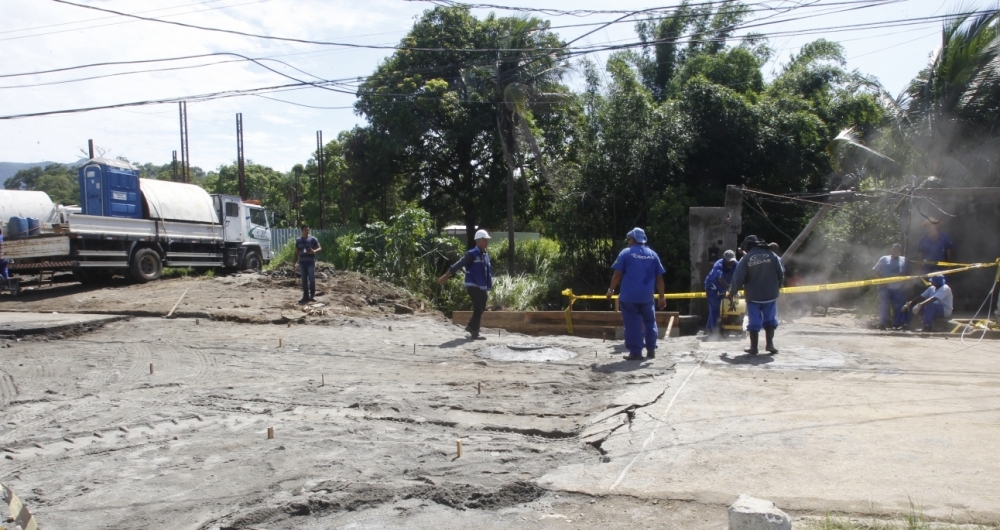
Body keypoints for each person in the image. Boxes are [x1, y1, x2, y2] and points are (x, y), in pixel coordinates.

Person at [607, 228, 666, 361]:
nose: (628, 242)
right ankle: (651, 349)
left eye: (629, 239)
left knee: (632, 324)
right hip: (647, 297)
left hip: (629, 298)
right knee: (650, 322)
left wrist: (611, 290)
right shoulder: (653, 255)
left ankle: (635, 352)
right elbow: (660, 279)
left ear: (633, 239)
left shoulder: (626, 253)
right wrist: (662, 297)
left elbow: (617, 274)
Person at [728, 235, 784, 355]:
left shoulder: (746, 258)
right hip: (770, 294)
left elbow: (738, 278)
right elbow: (780, 272)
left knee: (754, 321)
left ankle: (754, 347)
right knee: (770, 320)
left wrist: (732, 292)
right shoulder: (772, 255)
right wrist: (778, 286)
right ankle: (770, 344)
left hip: (754, 296)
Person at [438, 230, 494, 340]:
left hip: (482, 286)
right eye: (485, 240)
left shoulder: (485, 255)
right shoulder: (472, 254)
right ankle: (475, 332)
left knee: (481, 307)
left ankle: (470, 326)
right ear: (478, 241)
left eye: (487, 240)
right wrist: (446, 275)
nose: (487, 242)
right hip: (473, 285)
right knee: (478, 307)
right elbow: (459, 264)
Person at [872, 243, 910, 330]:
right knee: (884, 305)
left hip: (898, 288)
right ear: (891, 249)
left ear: (900, 251)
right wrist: (882, 281)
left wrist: (905, 283)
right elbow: (876, 271)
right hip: (884, 287)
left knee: (899, 306)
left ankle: (896, 324)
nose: (895, 251)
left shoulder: (904, 260)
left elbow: (908, 273)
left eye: (897, 249)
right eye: (894, 249)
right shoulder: (884, 258)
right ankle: (882, 323)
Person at [704, 250, 737, 337]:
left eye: (732, 261)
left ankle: (709, 328)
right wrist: (730, 289)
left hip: (723, 288)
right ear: (724, 259)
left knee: (723, 308)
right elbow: (720, 279)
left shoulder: (736, 264)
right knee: (716, 307)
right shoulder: (718, 265)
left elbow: (740, 275)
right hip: (712, 287)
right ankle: (713, 331)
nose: (730, 263)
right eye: (728, 261)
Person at [292, 224, 322, 304]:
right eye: (305, 230)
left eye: (308, 229)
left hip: (310, 262)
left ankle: (312, 295)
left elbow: (319, 248)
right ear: (302, 230)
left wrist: (314, 251)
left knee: (312, 279)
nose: (307, 231)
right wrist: (294, 263)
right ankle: (305, 296)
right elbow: (296, 252)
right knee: (304, 280)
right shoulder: (298, 240)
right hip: (302, 263)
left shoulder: (312, 239)